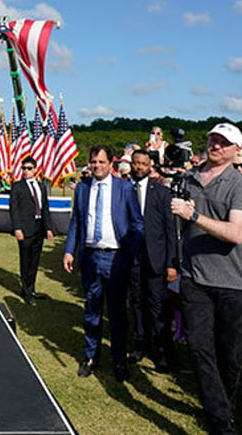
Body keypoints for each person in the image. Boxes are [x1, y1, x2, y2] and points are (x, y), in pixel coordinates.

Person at [170, 123, 242, 435]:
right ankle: (220, 422)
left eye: (224, 143)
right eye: (213, 140)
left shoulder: (240, 184)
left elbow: (236, 233)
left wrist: (193, 216)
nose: (216, 146)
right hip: (195, 278)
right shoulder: (189, 178)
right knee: (199, 348)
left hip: (233, 282)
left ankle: (222, 406)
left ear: (237, 150)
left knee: (230, 355)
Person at [63, 144, 143, 382]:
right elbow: (76, 222)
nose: (96, 166)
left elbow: (138, 223)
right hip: (90, 257)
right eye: (93, 162)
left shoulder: (125, 188)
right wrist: (69, 251)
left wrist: (129, 252)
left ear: (111, 163)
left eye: (101, 162)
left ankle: (119, 360)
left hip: (116, 258)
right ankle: (91, 356)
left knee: (117, 313)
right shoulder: (84, 188)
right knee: (91, 310)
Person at [127, 149, 175, 372]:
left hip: (156, 259)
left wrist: (171, 263)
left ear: (150, 166)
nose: (139, 167)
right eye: (136, 163)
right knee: (136, 302)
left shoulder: (162, 193)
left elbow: (170, 231)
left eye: (144, 164)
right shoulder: (124, 189)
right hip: (132, 258)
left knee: (157, 306)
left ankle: (163, 351)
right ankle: (139, 345)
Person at [8, 156, 52, 305]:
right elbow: (13, 210)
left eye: (29, 168)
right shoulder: (17, 186)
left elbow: (45, 208)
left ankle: (31, 289)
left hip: (39, 229)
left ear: (35, 169)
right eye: (23, 168)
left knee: (35, 261)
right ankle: (26, 293)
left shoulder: (41, 186)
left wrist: (49, 228)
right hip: (25, 230)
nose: (25, 171)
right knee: (25, 261)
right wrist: (17, 228)